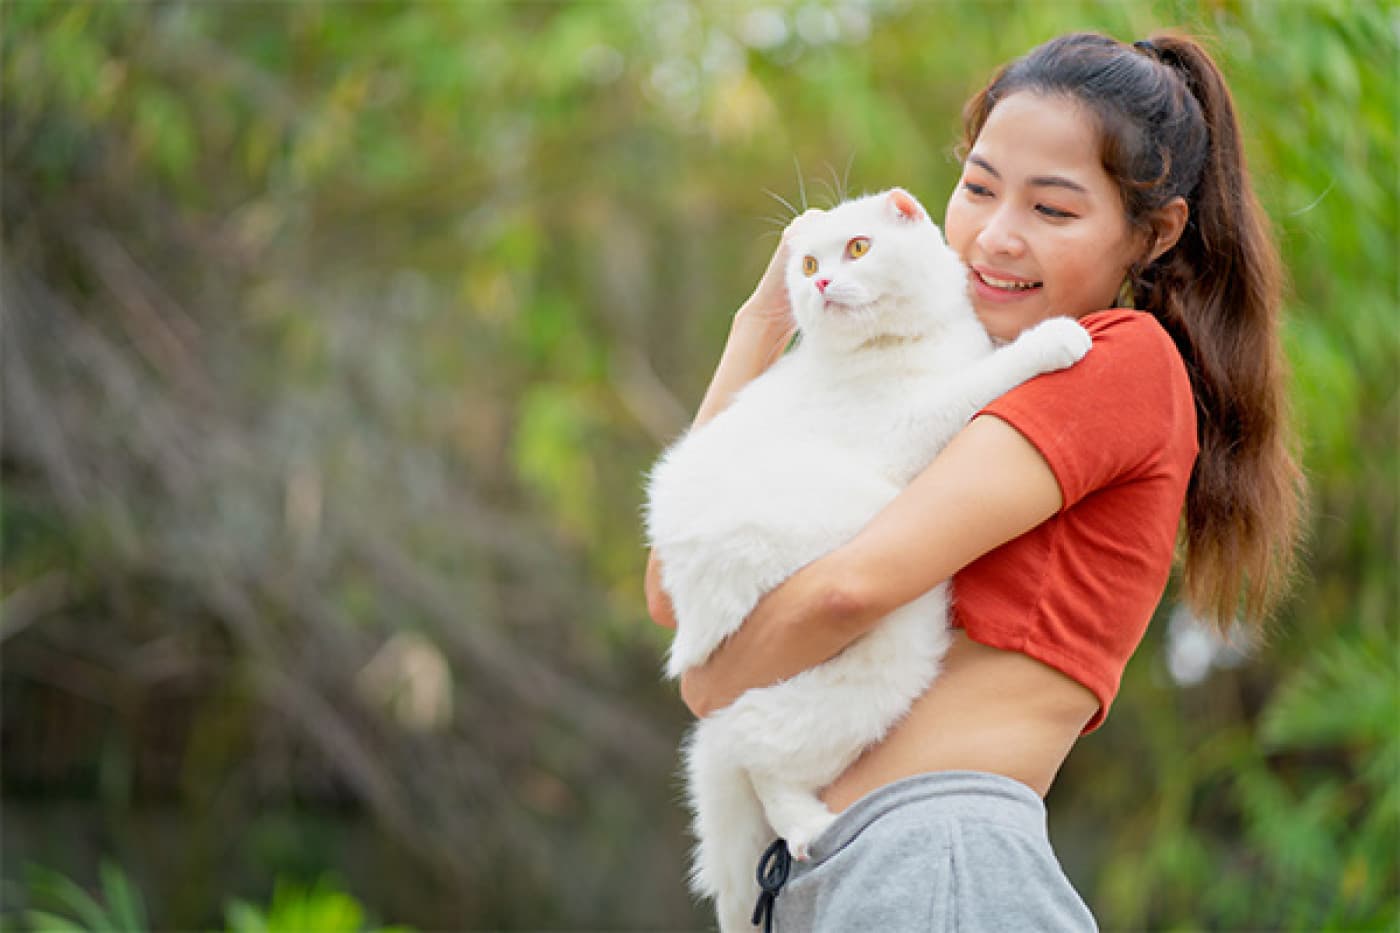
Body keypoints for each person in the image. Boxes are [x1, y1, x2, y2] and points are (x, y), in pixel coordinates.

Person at [646, 31, 1302, 931]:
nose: (996, 236)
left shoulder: (1118, 361)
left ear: (1154, 233)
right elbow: (674, 585)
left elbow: (851, 588)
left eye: (1054, 210)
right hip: (839, 873)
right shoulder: (948, 368)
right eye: (980, 187)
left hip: (937, 862)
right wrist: (761, 322)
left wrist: (711, 688)